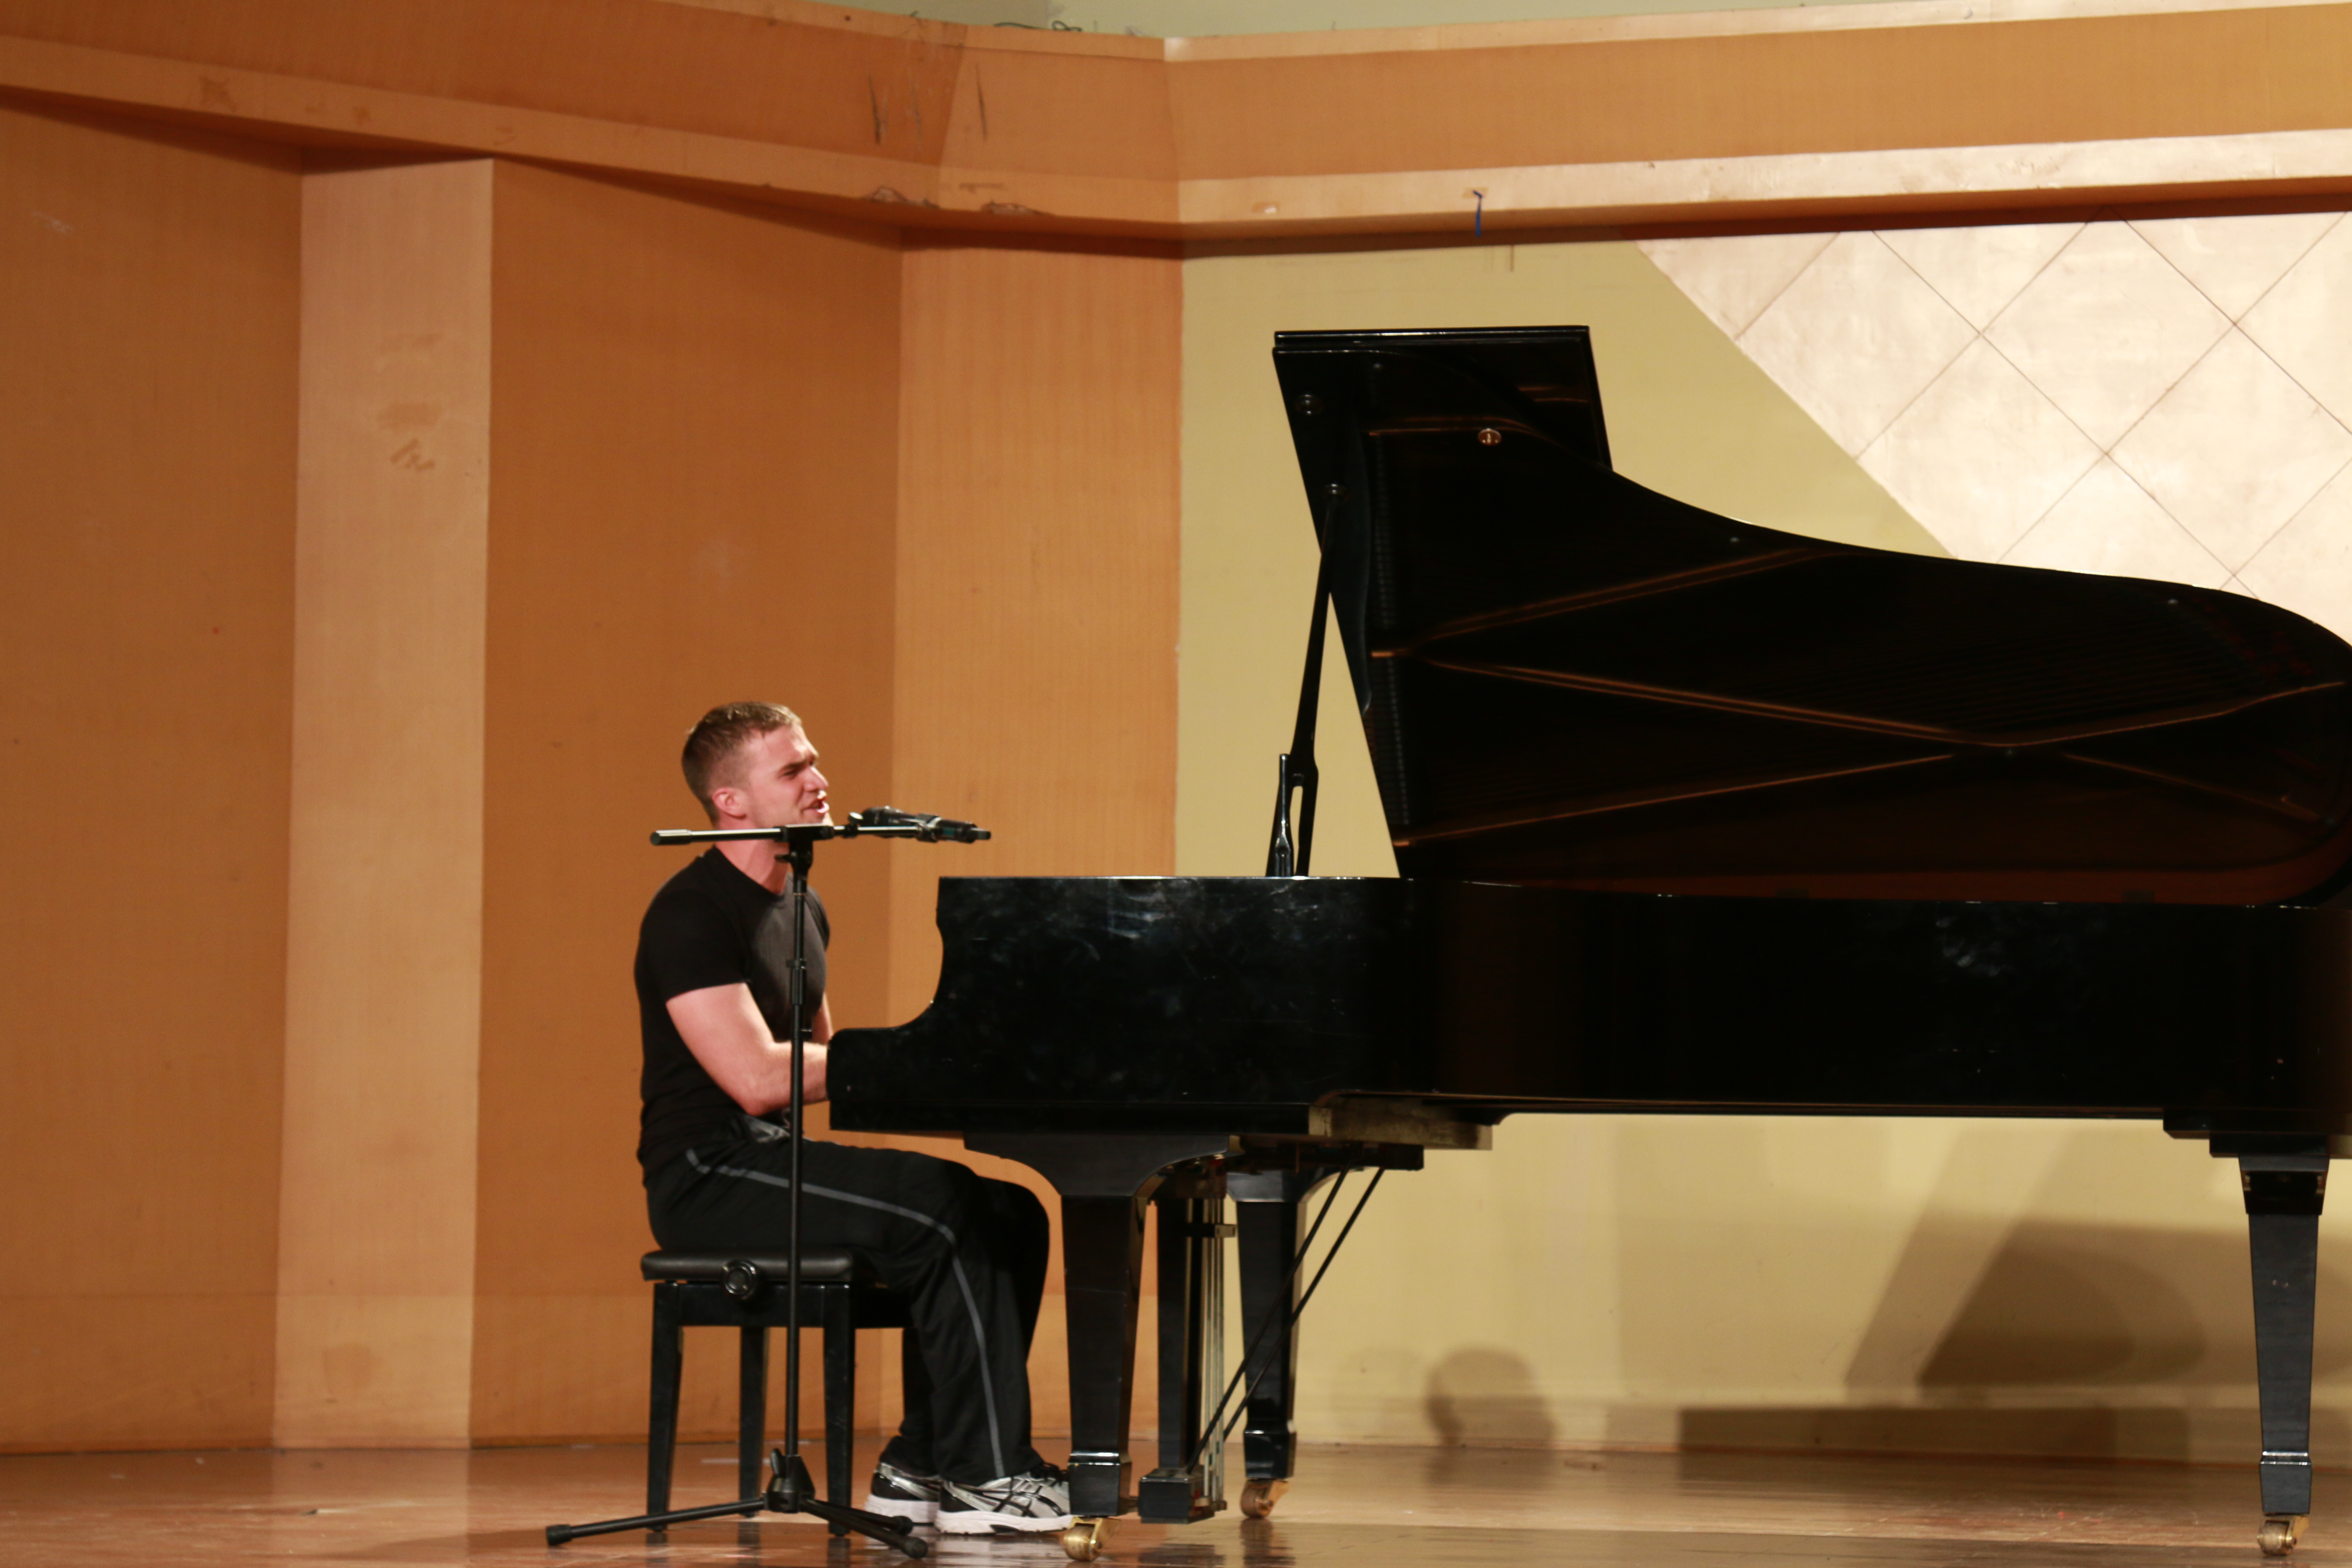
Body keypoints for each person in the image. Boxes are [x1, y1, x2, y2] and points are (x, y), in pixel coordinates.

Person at [634, 701, 1069, 1534]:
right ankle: (989, 1476)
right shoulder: (690, 913)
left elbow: (824, 1063)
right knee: (939, 1202)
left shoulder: (803, 907)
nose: (819, 782)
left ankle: (919, 1466)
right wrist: (916, 1054)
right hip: (708, 1176)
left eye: (813, 762)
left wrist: (973, 1067)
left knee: (1011, 1211)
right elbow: (758, 1079)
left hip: (771, 1157)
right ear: (730, 801)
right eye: (793, 769)